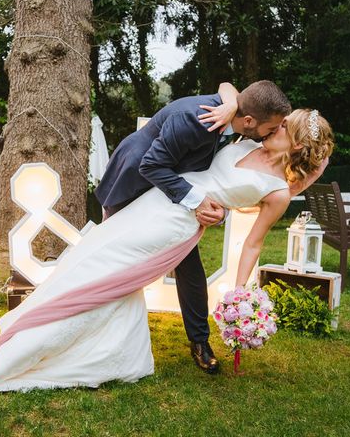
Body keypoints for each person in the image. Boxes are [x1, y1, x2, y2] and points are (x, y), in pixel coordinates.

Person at [0, 109, 334, 394]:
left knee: (108, 276)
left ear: (294, 141)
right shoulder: (242, 139)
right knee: (89, 259)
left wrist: (236, 291)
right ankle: (104, 350)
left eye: (286, 126)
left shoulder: (278, 192)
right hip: (158, 199)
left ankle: (22, 354)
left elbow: (252, 243)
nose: (277, 125)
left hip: (174, 224)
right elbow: (224, 112)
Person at [95, 80, 293, 374]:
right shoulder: (198, 120)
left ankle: (199, 341)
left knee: (190, 268)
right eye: (272, 128)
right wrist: (198, 201)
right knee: (113, 257)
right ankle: (99, 327)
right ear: (250, 121)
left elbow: (222, 177)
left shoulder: (237, 123)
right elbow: (152, 164)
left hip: (173, 195)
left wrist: (220, 212)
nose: (275, 132)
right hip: (136, 179)